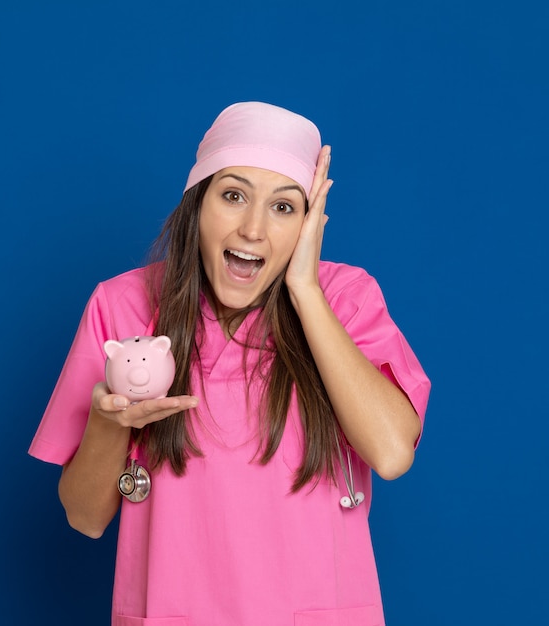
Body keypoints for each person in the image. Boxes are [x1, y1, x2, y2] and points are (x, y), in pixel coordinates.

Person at [29, 101, 431, 626]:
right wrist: (109, 423)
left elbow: (393, 452)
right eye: (234, 196)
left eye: (285, 207)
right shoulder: (122, 306)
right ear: (197, 204)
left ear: (308, 224)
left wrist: (305, 290)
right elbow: (84, 517)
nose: (253, 230)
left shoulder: (345, 298)